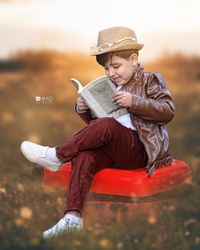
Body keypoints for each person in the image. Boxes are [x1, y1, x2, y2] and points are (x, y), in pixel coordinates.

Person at [20, 26, 175, 239]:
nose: (111, 73)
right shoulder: (111, 85)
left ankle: (56, 155)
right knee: (85, 155)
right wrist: (84, 109)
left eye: (116, 66)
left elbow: (167, 111)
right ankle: (72, 218)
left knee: (107, 126)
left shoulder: (150, 80)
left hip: (141, 150)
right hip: (117, 149)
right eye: (106, 69)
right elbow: (98, 128)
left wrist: (135, 102)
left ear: (133, 59)